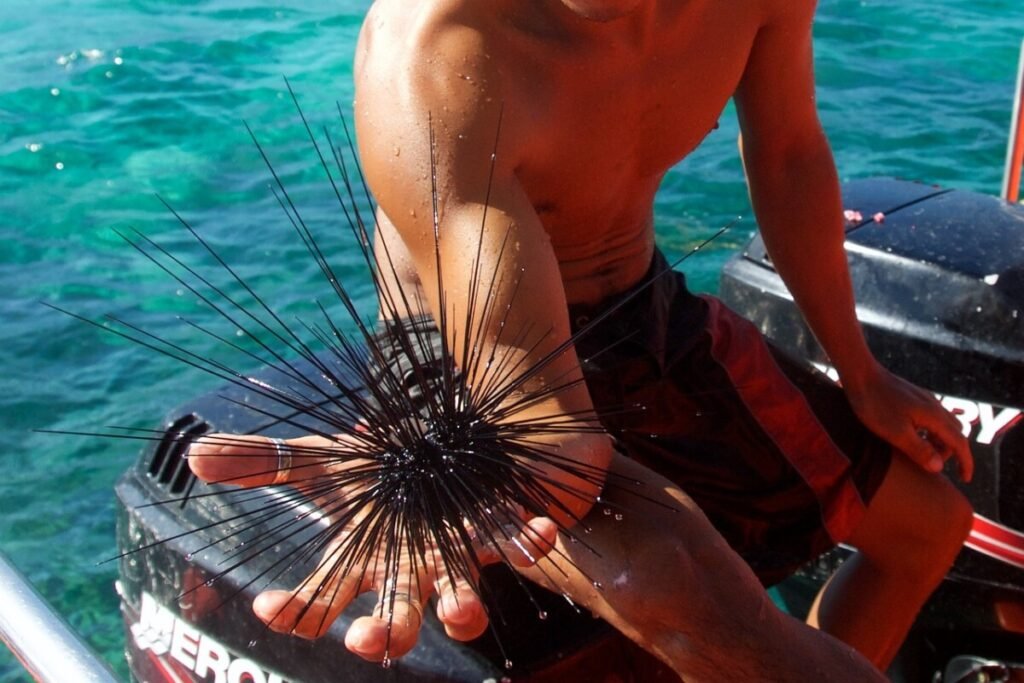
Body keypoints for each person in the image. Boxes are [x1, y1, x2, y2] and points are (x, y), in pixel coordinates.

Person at [189, 0, 975, 678]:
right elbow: (547, 420)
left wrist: (859, 371)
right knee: (676, 614)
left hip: (646, 308)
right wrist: (500, 485)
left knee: (928, 524)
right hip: (471, 366)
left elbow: (790, 151)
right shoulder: (441, 49)